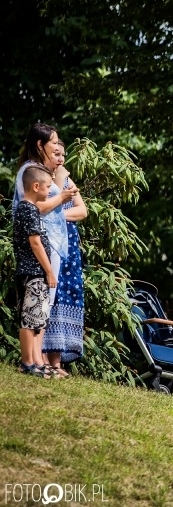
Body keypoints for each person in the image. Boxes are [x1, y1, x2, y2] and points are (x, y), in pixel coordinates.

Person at [13, 123, 78, 377]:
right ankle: (33, 361)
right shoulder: (29, 172)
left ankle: (38, 361)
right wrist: (61, 196)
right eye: (54, 141)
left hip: (48, 245)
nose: (58, 145)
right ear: (41, 145)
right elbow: (34, 210)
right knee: (35, 311)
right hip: (38, 254)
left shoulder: (40, 171)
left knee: (41, 309)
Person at [43, 141, 88, 376]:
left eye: (63, 154)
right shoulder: (41, 181)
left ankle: (57, 362)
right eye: (56, 154)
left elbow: (82, 210)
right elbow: (44, 210)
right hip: (49, 245)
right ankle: (42, 359)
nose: (60, 159)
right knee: (49, 296)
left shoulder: (67, 181)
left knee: (66, 296)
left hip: (69, 247)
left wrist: (59, 214)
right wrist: (58, 212)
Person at [13, 165, 57, 377]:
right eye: (48, 186)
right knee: (29, 319)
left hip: (30, 271)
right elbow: (35, 242)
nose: (49, 190)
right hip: (33, 272)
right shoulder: (29, 209)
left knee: (35, 319)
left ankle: (33, 363)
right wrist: (49, 271)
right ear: (36, 186)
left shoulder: (27, 209)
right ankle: (28, 362)